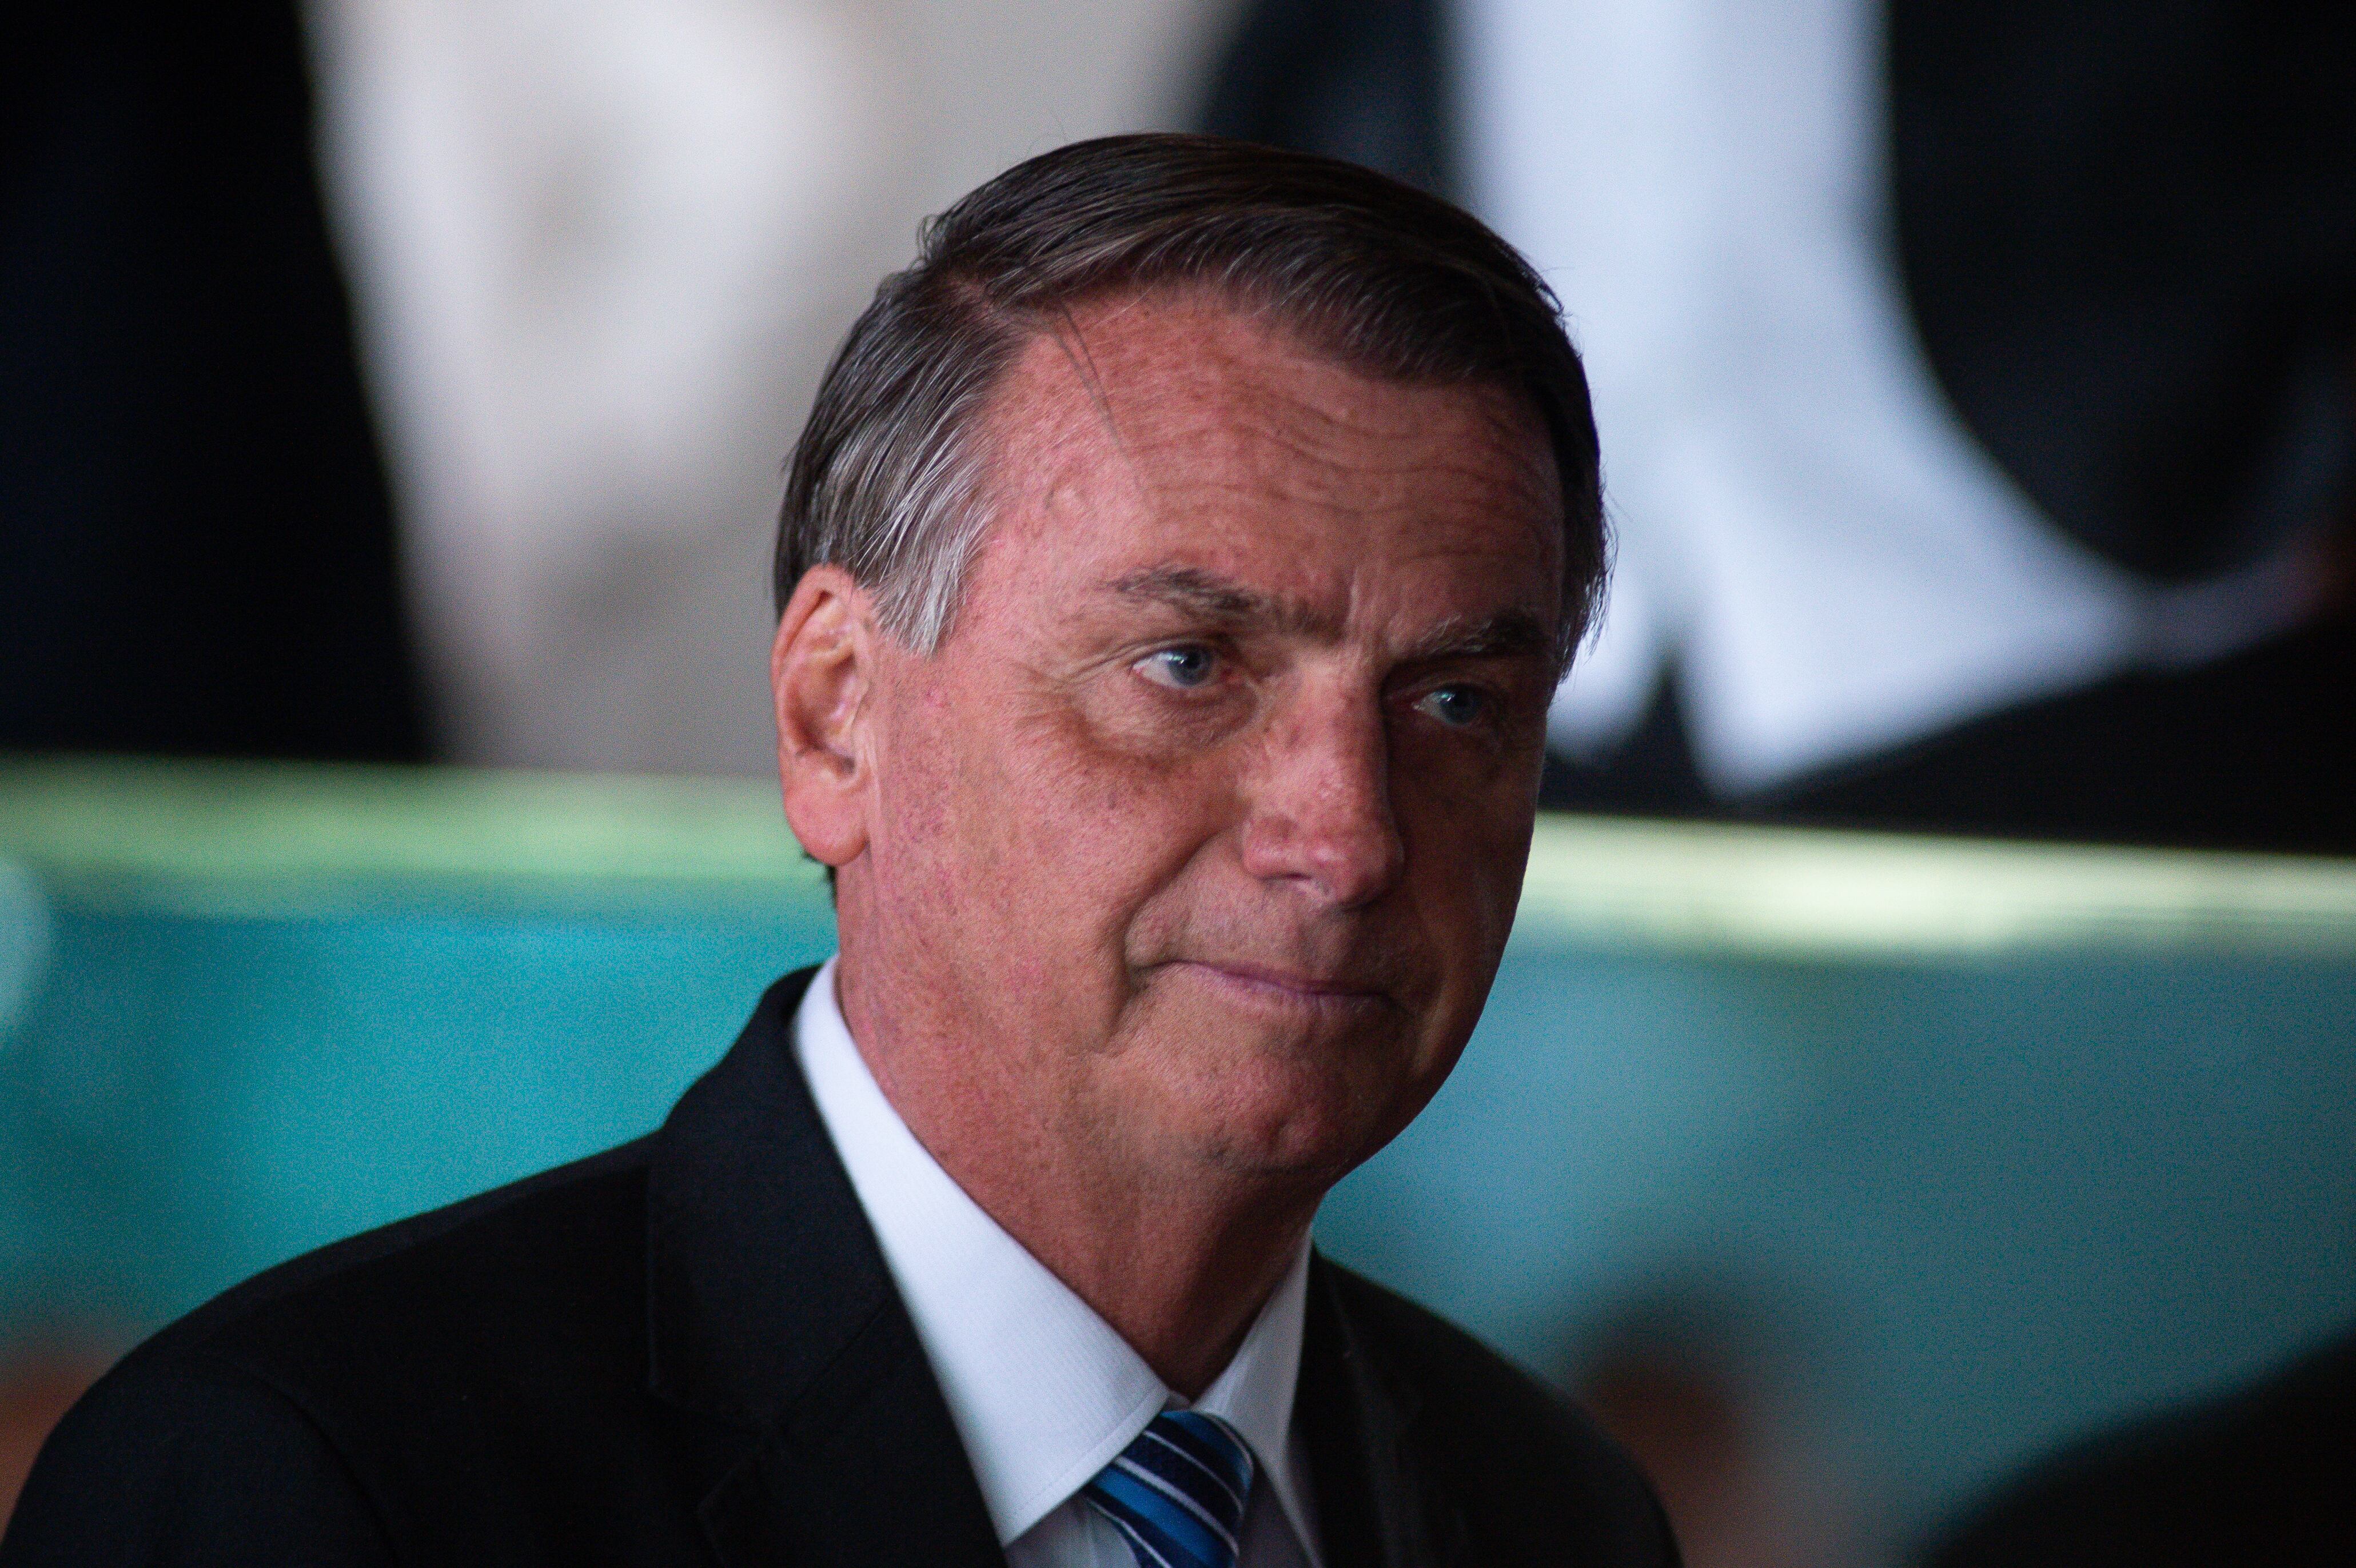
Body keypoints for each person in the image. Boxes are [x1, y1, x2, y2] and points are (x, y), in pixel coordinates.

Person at [0, 135, 1678, 1567]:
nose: (1347, 834)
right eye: (1187, 667)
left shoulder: (1552, 1514)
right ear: (833, 719)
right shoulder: (311, 1490)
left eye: (1455, 701)